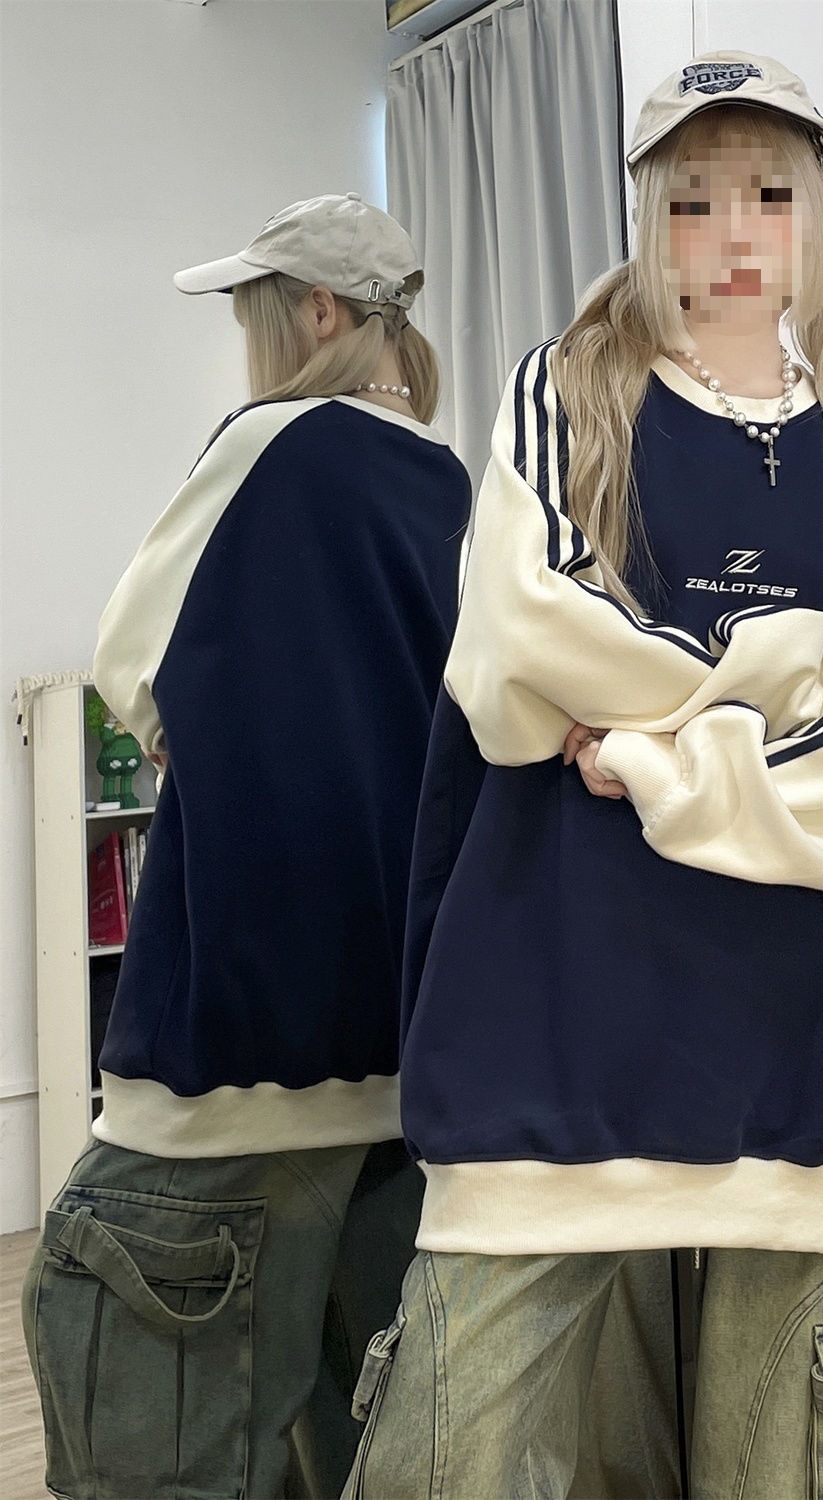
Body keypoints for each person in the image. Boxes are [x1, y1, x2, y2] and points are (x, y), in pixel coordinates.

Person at [343, 50, 823, 1500]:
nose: (733, 233)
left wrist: (669, 757)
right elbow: (521, 645)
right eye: (692, 199)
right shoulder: (562, 399)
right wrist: (806, 684)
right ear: (647, 218)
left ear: (817, 211)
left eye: (769, 193)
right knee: (448, 1462)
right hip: (558, 1033)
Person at [20, 193, 472, 1500]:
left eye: (252, 317)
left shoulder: (271, 441)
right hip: (402, 1057)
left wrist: (198, 739)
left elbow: (132, 660)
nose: (248, 345)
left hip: (240, 1045)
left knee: (148, 1415)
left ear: (316, 314)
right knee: (357, 1440)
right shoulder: (448, 483)